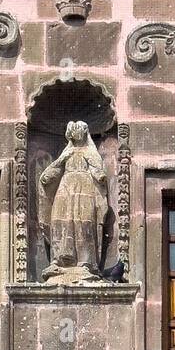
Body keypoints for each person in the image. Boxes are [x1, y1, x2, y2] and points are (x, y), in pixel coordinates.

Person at [39, 120, 109, 284]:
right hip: (65, 188)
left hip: (84, 189)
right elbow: (48, 176)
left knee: (84, 223)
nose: (77, 133)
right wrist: (60, 161)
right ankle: (58, 261)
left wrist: (100, 176)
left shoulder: (91, 153)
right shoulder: (66, 153)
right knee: (59, 221)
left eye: (80, 130)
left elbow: (97, 171)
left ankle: (85, 262)